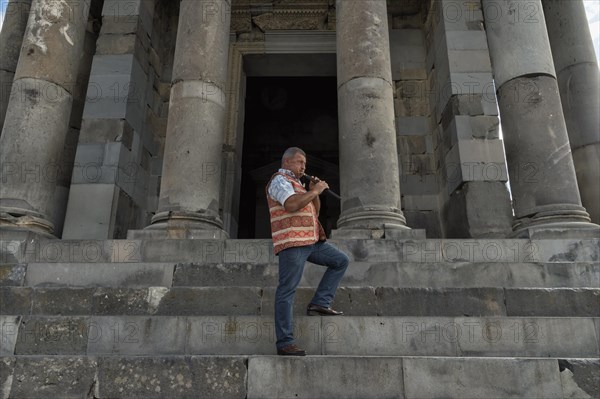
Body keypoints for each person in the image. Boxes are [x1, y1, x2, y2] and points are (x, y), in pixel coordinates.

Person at [266, 147, 350, 356]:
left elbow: (315, 211)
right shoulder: (279, 181)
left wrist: (313, 192)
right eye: (299, 162)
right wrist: (315, 191)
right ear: (287, 162)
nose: (303, 166)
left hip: (311, 241)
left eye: (304, 163)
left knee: (340, 261)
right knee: (287, 290)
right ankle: (285, 342)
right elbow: (292, 205)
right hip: (292, 243)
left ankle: (320, 302)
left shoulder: (299, 185)